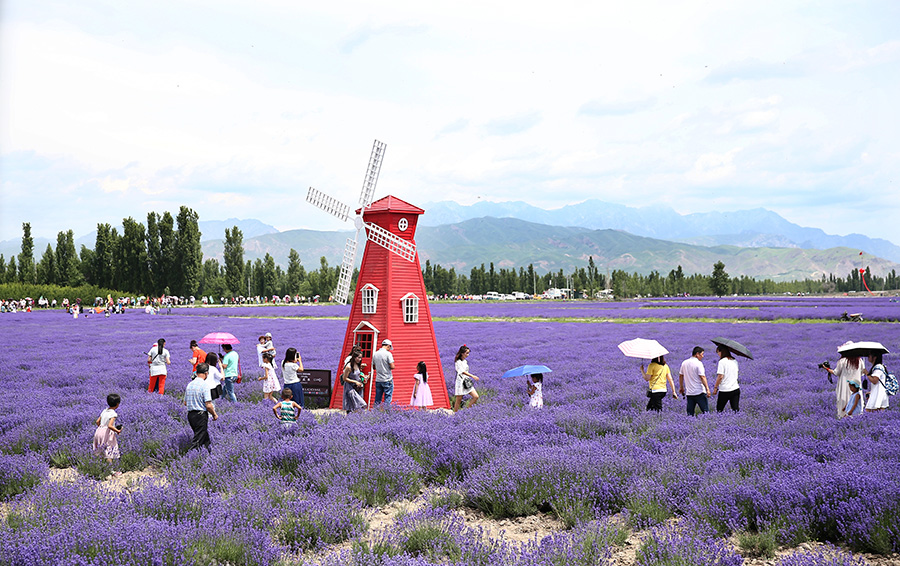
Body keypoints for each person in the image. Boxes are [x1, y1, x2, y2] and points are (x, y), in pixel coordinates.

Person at [823, 346, 866, 418]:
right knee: (856, 402)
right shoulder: (860, 361)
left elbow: (836, 373)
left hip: (845, 386)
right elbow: (862, 373)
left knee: (844, 400)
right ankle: (856, 420)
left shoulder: (842, 361)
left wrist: (827, 368)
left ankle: (843, 419)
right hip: (856, 386)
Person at [184, 363, 218, 452]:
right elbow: (208, 405)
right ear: (206, 373)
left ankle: (209, 453)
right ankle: (189, 459)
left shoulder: (189, 385)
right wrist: (214, 414)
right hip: (200, 415)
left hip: (190, 415)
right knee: (198, 440)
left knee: (204, 437)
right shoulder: (204, 385)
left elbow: (185, 402)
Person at [679, 346, 710, 416]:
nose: (703, 356)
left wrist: (681, 387)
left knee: (690, 414)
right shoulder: (698, 363)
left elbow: (681, 375)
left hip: (689, 393)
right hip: (699, 392)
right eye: (702, 354)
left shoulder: (684, 363)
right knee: (706, 412)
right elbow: (702, 377)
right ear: (697, 354)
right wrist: (707, 389)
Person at [92, 393, 122, 465]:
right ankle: (110, 470)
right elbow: (110, 426)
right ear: (117, 404)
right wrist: (117, 430)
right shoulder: (113, 414)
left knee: (101, 449)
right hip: (107, 433)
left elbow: (97, 421)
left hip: (99, 431)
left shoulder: (104, 411)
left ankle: (101, 466)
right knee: (109, 450)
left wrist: (101, 428)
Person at [712, 346, 740, 412]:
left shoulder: (722, 362)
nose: (718, 354)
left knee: (719, 410)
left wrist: (715, 387)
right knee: (735, 410)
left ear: (721, 352)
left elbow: (720, 376)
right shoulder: (734, 361)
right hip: (735, 388)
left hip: (725, 390)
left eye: (718, 352)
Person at [453, 344, 480, 412]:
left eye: (468, 353)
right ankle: (455, 413)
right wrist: (472, 376)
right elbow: (462, 371)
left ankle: (468, 411)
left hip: (466, 381)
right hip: (460, 381)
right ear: (462, 353)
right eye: (467, 353)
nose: (468, 354)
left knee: (475, 396)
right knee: (458, 399)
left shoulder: (465, 361)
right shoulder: (458, 362)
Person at [372, 339, 395, 406]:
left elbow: (374, 367)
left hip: (378, 379)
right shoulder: (388, 354)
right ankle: (386, 412)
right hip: (387, 378)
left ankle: (375, 412)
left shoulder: (375, 354)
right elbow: (392, 366)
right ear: (388, 346)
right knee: (388, 397)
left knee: (378, 398)